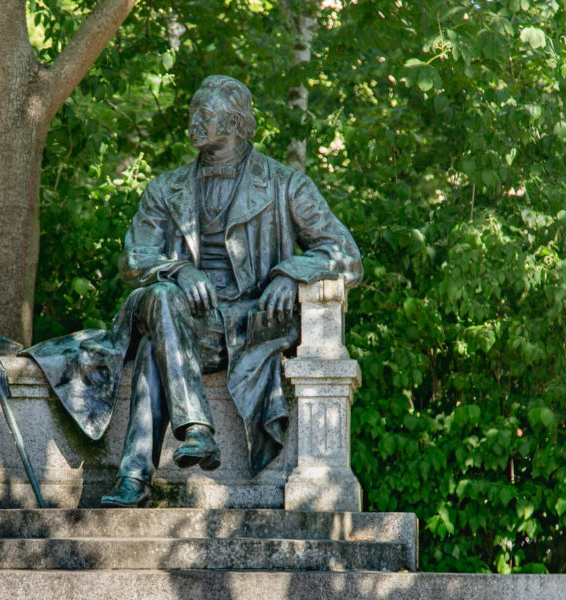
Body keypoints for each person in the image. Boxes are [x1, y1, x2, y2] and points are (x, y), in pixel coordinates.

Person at [25, 75, 362, 507]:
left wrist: (290, 272)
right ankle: (197, 428)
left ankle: (134, 477)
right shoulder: (166, 189)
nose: (193, 123)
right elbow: (133, 259)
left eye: (205, 115)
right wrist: (179, 269)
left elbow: (346, 256)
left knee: (154, 347)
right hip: (183, 316)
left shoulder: (285, 185)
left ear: (235, 122)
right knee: (164, 297)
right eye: (192, 114)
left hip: (246, 326)